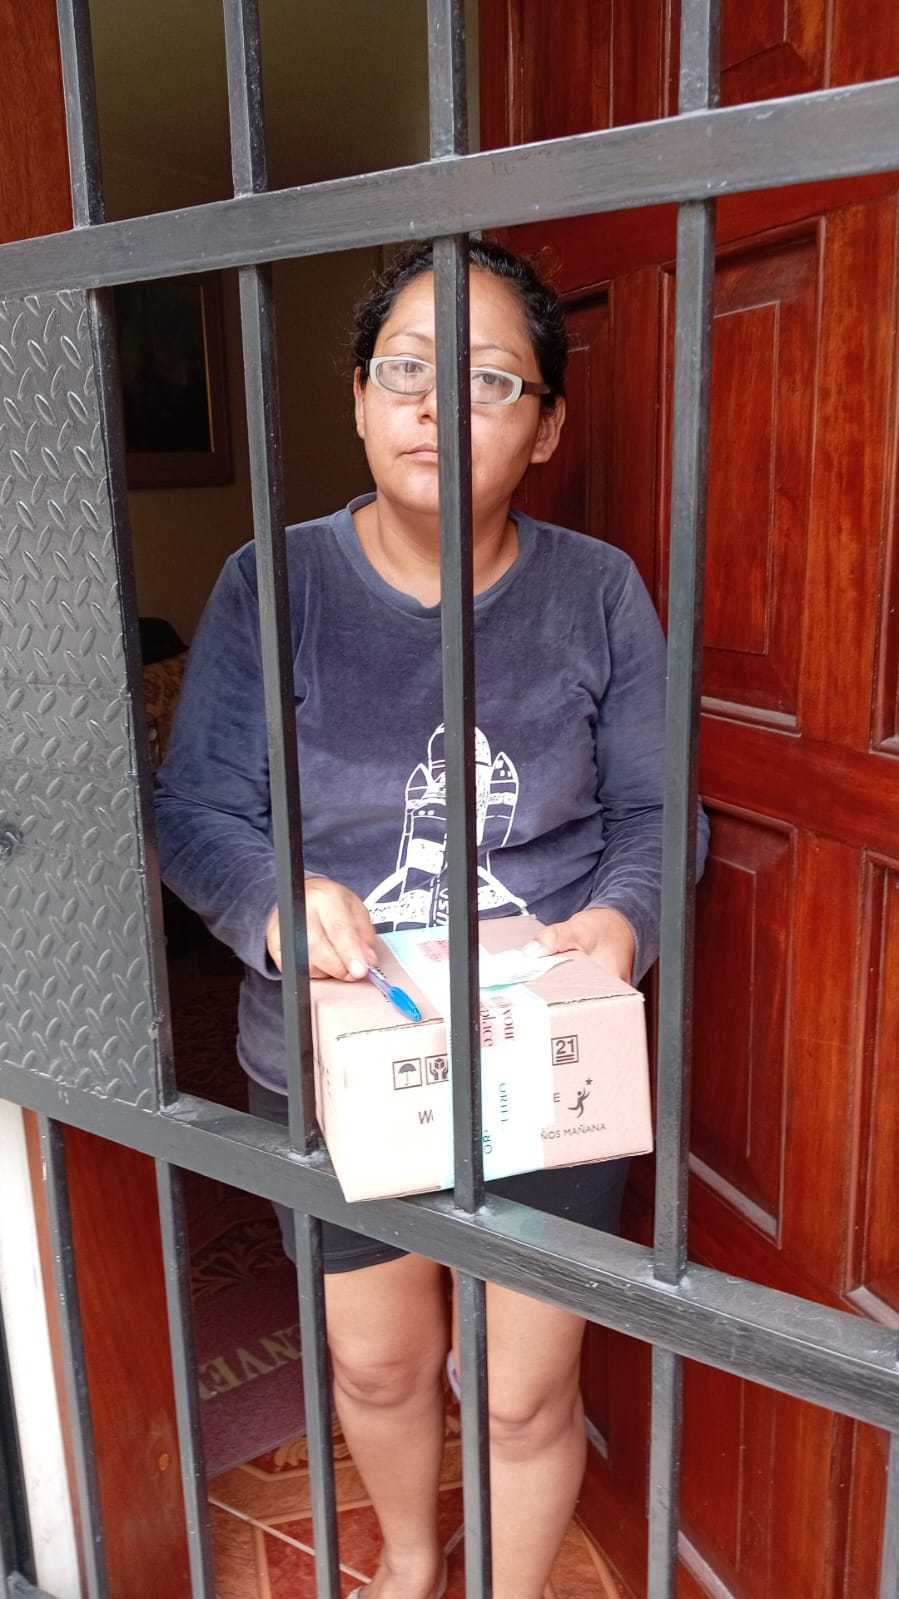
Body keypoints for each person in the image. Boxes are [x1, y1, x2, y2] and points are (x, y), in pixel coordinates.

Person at [154, 237, 710, 1599]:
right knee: (378, 1362)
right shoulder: (272, 585)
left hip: (544, 1059)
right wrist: (279, 906)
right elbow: (197, 812)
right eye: (405, 370)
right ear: (356, 398)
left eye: (488, 380)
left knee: (522, 1391)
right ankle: (409, 1566)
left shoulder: (597, 592)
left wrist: (620, 929)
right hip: (347, 1059)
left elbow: (658, 817)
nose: (435, 408)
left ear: (546, 427)